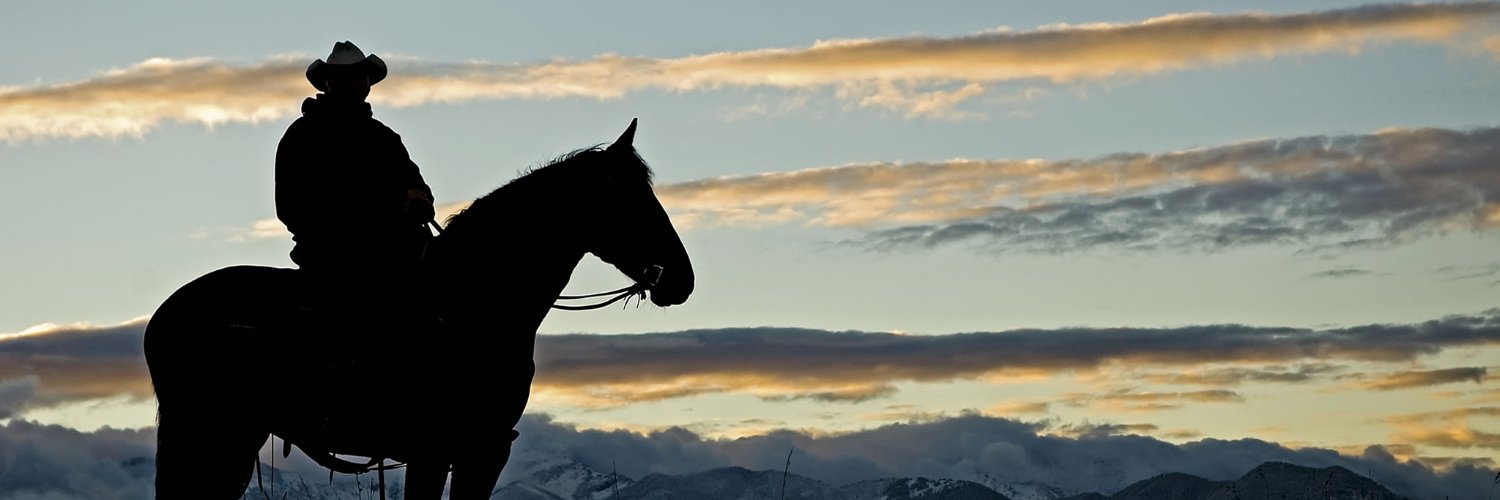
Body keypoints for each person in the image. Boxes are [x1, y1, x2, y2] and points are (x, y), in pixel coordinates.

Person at [276, 41, 435, 308]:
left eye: (358, 77)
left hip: (393, 257)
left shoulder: (385, 139)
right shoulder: (303, 136)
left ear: (367, 83)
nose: (352, 83)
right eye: (342, 78)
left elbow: (417, 186)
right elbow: (291, 207)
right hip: (329, 261)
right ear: (328, 83)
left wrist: (419, 200)